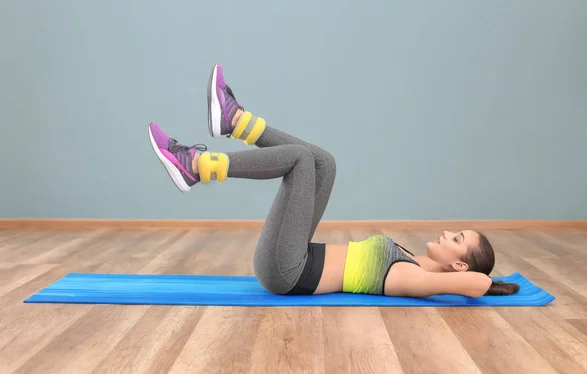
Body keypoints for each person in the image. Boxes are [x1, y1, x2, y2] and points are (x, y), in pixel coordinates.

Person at [147, 64, 520, 298]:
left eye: (457, 240)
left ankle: (197, 167)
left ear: (459, 266)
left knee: (298, 160)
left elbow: (477, 284)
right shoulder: (416, 262)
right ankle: (236, 123)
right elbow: (474, 278)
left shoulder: (415, 279)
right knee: (324, 163)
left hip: (286, 271)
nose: (448, 233)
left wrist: (489, 284)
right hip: (297, 256)